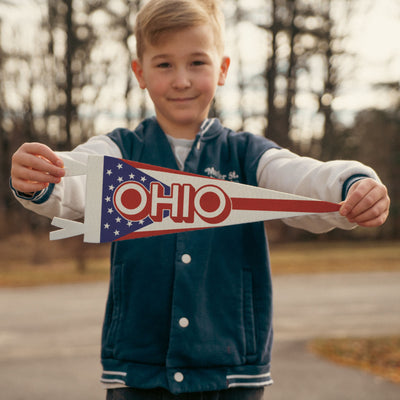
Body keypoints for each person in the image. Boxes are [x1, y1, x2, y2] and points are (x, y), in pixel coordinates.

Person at [10, 0, 390, 399]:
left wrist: (352, 183)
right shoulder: (121, 150)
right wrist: (41, 178)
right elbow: (74, 181)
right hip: (138, 373)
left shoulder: (246, 155)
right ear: (139, 72)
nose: (181, 80)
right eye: (163, 64)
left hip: (232, 374)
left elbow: (301, 179)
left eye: (196, 63)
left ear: (222, 69)